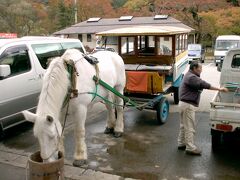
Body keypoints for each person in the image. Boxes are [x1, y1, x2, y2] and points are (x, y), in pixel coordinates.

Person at [178, 61, 228, 155]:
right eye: (200, 68)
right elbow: (204, 84)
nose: (201, 70)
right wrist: (219, 89)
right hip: (187, 105)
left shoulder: (189, 75)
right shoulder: (192, 77)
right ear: (194, 68)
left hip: (184, 104)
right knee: (189, 127)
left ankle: (181, 143)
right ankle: (190, 148)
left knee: (184, 126)